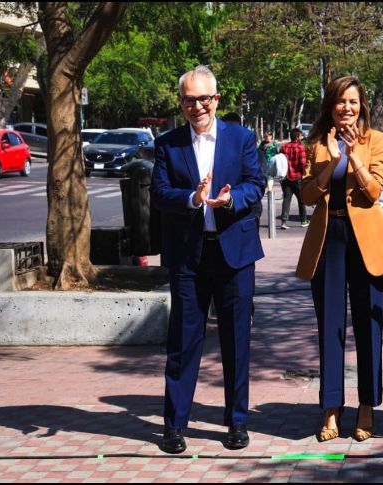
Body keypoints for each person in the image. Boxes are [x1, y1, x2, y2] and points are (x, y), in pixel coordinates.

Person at [150, 65, 265, 454]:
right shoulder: (168, 144)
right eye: (188, 99)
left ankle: (236, 422)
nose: (196, 106)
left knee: (236, 341)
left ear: (216, 99)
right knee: (183, 342)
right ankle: (174, 426)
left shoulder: (242, 138)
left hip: (233, 251)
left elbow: (256, 184)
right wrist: (192, 199)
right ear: (180, 103)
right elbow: (159, 192)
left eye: (203, 98)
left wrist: (232, 198)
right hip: (188, 255)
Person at [295, 76, 383, 443]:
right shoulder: (318, 143)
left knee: (368, 328)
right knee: (330, 328)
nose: (347, 108)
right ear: (331, 106)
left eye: (353, 102)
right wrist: (330, 162)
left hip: (367, 243)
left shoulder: (376, 140)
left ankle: (367, 407)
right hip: (329, 240)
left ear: (362, 106)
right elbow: (308, 196)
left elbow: (373, 192)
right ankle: (330, 408)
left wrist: (355, 158)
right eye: (341, 101)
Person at [278, 128, 308, 229]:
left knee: (286, 199)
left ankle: (284, 222)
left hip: (286, 178)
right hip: (298, 177)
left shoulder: (284, 147)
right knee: (301, 200)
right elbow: (303, 163)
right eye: (301, 135)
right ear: (297, 137)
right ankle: (303, 220)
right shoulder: (300, 147)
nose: (302, 137)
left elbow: (279, 160)